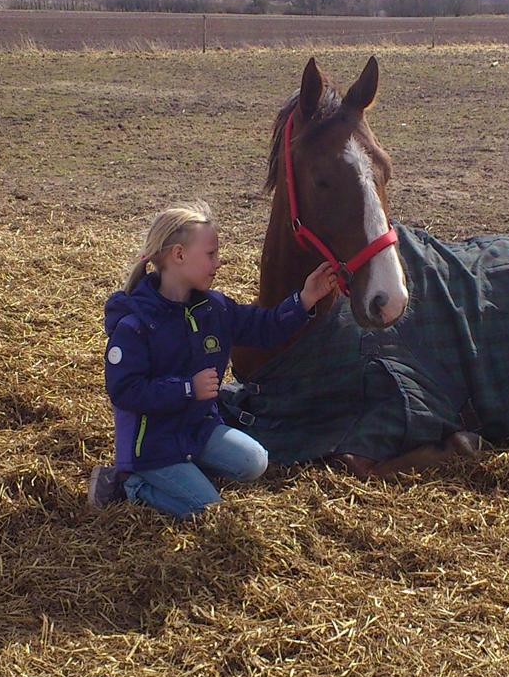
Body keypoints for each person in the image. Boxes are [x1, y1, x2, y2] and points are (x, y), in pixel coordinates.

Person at [89, 203, 336, 518]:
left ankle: (187, 467)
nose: (218, 263)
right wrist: (187, 390)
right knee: (207, 511)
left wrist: (304, 300)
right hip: (152, 445)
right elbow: (124, 391)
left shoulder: (214, 308)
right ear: (179, 255)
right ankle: (127, 485)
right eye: (210, 254)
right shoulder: (135, 324)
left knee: (254, 462)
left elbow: (265, 328)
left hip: (197, 428)